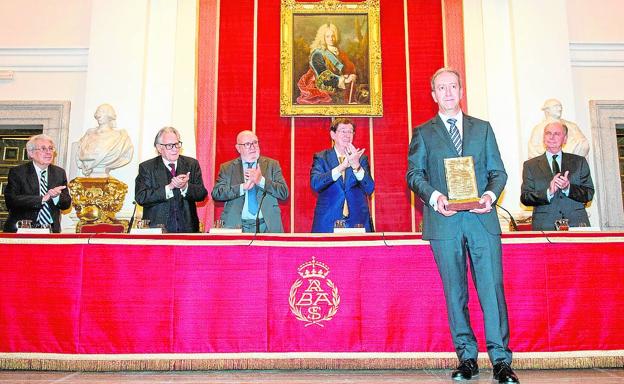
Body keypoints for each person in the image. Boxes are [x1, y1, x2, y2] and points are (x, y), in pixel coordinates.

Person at [406, 68, 519, 383]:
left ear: (461, 90)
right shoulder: (423, 133)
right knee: (455, 292)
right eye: (440, 88)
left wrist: (489, 194)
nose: (447, 92)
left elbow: (499, 172)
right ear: (433, 95)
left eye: (452, 86)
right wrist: (435, 197)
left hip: (482, 220)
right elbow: (414, 175)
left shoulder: (482, 129)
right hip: (445, 223)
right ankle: (467, 358)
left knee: (492, 290)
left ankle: (501, 361)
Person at [521, 121, 594, 230]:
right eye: (548, 133)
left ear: (565, 139)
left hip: (576, 224)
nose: (552, 137)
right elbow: (525, 198)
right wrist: (548, 192)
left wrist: (568, 188)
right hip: (544, 227)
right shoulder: (530, 165)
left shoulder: (579, 162)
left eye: (557, 134)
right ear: (543, 138)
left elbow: (589, 194)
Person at [211, 130, 289, 233]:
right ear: (238, 148)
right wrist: (242, 188)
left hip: (267, 225)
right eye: (247, 144)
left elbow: (284, 193)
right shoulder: (227, 168)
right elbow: (216, 194)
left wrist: (261, 181)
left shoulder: (272, 165)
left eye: (255, 142)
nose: (253, 147)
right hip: (236, 225)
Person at [135, 127, 207, 233]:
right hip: (156, 231)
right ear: (159, 148)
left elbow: (202, 194)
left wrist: (185, 187)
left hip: (187, 230)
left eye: (177, 144)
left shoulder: (191, 164)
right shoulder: (147, 167)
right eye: (170, 145)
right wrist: (169, 188)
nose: (175, 149)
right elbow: (141, 197)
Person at [311, 118, 374, 232]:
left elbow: (369, 188)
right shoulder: (321, 157)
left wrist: (356, 166)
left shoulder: (360, 159)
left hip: (358, 221)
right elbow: (316, 184)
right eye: (343, 131)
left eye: (350, 131)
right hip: (327, 221)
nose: (347, 135)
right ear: (333, 135)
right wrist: (342, 167)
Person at [3, 134, 72, 233]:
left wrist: (56, 197)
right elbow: (11, 201)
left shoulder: (59, 173)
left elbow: (66, 204)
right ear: (31, 153)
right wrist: (42, 199)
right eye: (43, 149)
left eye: (51, 148)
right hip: (23, 229)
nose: (48, 152)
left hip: (50, 230)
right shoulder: (18, 172)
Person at [297, 23, 357, 105]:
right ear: (323, 38)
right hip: (319, 89)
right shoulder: (317, 54)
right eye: (327, 36)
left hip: (335, 88)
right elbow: (323, 75)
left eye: (333, 36)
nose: (331, 39)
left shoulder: (338, 52)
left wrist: (348, 75)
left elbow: (344, 70)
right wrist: (344, 80)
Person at [77, 103, 134, 177]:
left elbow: (126, 156)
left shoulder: (120, 137)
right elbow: (79, 152)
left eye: (103, 112)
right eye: (98, 112)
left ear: (110, 115)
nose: (99, 115)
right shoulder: (88, 135)